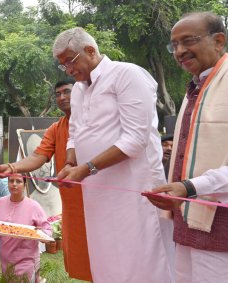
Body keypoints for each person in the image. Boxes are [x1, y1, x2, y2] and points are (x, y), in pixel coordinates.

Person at [52, 27, 174, 282]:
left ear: (90, 50)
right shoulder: (77, 90)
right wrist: (71, 161)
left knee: (141, 259)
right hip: (96, 191)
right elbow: (75, 133)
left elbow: (135, 140)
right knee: (105, 257)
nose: (68, 71)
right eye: (63, 66)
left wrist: (85, 169)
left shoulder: (127, 74)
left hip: (134, 188)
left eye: (70, 62)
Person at [144, 12, 228, 283]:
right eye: (174, 45)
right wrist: (177, 192)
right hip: (187, 222)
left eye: (188, 41)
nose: (179, 51)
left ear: (219, 41)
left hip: (221, 227)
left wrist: (189, 188)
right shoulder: (196, 87)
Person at [0, 79, 92, 281]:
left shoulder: (94, 122)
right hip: (72, 207)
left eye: (67, 92)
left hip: (96, 205)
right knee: (82, 263)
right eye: (58, 94)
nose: (62, 97)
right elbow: (38, 157)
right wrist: (12, 167)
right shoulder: (56, 129)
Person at [0, 173, 52, 281]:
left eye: (18, 181)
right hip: (6, 261)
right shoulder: (0, 203)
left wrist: (40, 233)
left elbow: (47, 231)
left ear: (24, 184)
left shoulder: (33, 206)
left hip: (26, 263)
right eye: (11, 181)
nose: (14, 184)